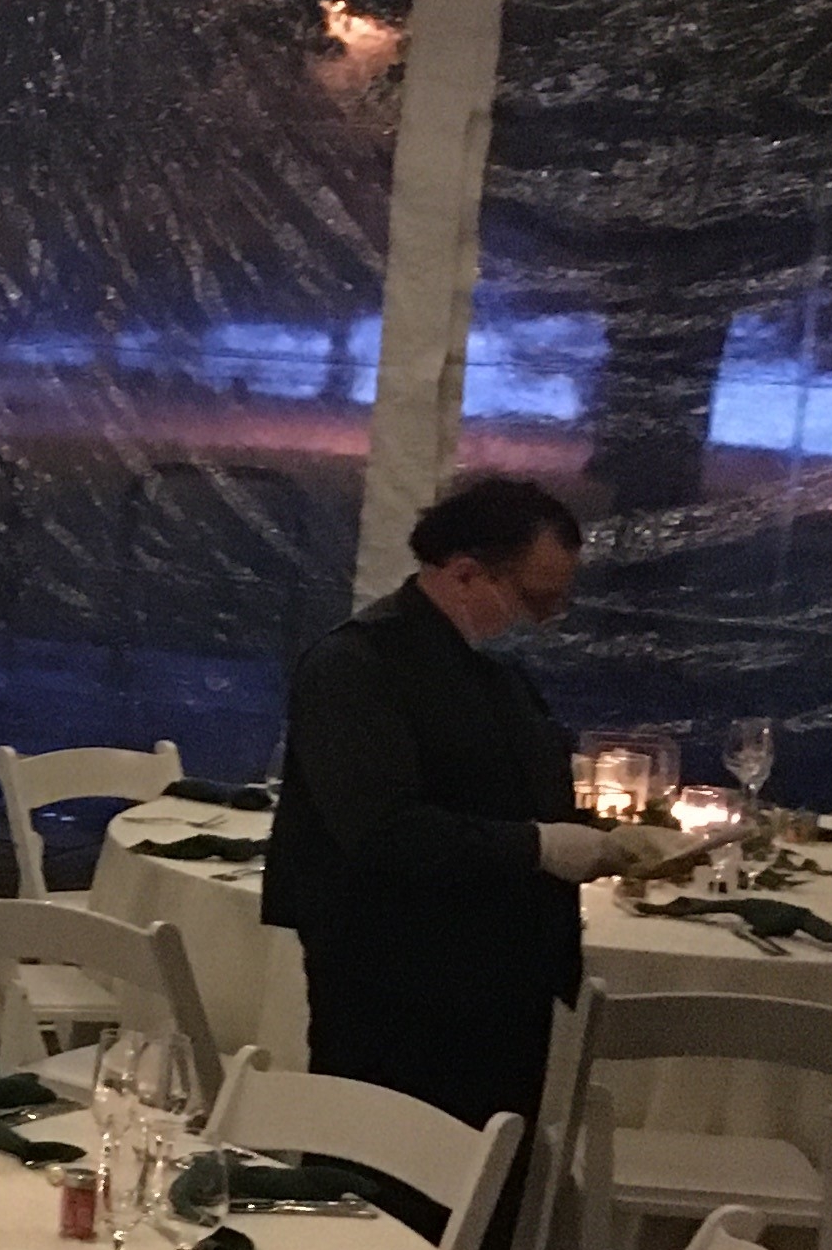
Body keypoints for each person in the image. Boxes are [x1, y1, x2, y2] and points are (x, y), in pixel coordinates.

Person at [265, 474, 692, 1135]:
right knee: (380, 1198)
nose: (550, 618)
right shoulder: (354, 667)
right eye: (539, 598)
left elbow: (507, 792)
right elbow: (384, 833)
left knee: (487, 1193)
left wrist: (602, 839)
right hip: (397, 994)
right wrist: (543, 847)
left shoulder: (488, 667)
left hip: (499, 988)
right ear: (466, 575)